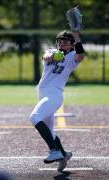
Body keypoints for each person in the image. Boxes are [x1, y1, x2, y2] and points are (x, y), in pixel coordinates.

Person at [29, 30, 85, 171]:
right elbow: (46, 57)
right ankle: (64, 154)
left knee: (35, 117)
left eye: (65, 43)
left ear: (71, 45)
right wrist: (55, 55)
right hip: (43, 94)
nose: (61, 44)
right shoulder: (51, 51)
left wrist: (77, 37)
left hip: (54, 95)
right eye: (60, 42)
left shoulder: (72, 56)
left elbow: (80, 56)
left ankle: (54, 151)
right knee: (50, 131)